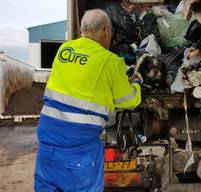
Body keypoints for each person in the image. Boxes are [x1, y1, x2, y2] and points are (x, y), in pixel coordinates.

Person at [34, 9, 142, 192]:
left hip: (47, 142)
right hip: (79, 149)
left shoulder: (64, 50)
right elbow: (127, 100)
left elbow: (80, 81)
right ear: (106, 30)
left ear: (82, 30)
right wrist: (137, 83)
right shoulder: (110, 61)